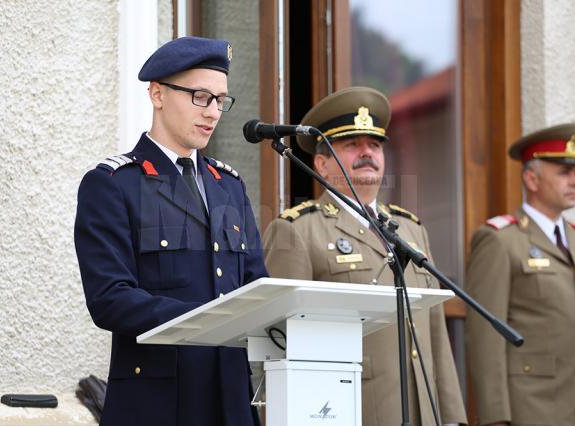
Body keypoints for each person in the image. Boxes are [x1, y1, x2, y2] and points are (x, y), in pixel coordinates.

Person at [74, 36, 267, 425]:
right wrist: (212, 319)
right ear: (158, 94)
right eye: (200, 96)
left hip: (232, 403)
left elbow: (255, 286)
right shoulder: (114, 184)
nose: (213, 112)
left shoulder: (228, 185)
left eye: (220, 100)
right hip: (159, 404)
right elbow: (110, 298)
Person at [262, 86, 466, 426]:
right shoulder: (297, 230)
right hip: (353, 409)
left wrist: (452, 417)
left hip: (423, 410)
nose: (366, 152)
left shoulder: (410, 230)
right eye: (351, 145)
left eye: (374, 145)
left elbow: (434, 333)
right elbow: (284, 345)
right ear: (322, 164)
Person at [466, 123, 575, 425]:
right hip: (532, 410)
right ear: (531, 178)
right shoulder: (500, 240)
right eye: (564, 172)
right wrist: (495, 417)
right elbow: (486, 337)